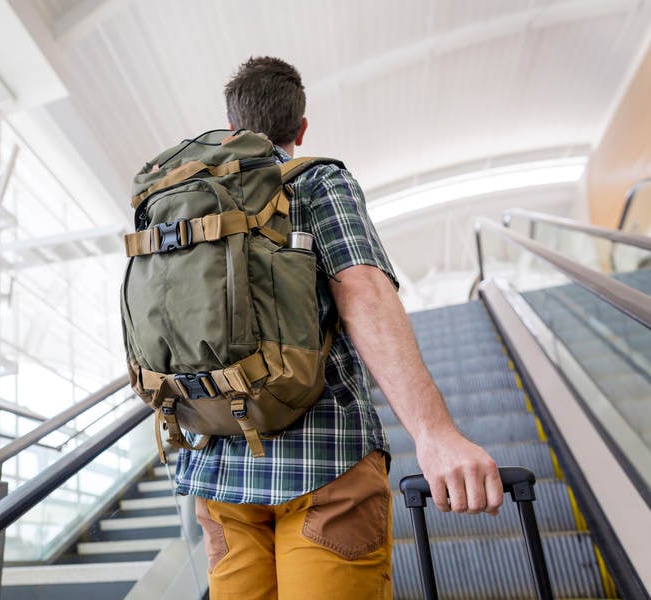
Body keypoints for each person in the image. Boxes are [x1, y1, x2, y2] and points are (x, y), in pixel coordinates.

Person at [173, 56, 504, 599]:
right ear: (301, 129)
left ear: (231, 127)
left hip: (218, 470)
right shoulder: (316, 181)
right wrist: (435, 433)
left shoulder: (188, 203)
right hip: (323, 461)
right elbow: (362, 290)